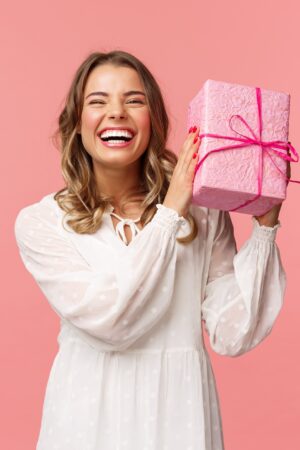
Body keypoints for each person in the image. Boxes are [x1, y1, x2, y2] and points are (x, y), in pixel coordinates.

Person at [14, 50, 287, 450]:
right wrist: (170, 211)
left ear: (153, 120)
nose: (117, 112)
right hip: (86, 422)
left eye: (134, 100)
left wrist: (264, 226)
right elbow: (111, 322)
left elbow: (233, 335)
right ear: (77, 123)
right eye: (98, 101)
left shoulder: (204, 215)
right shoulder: (42, 222)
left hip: (181, 417)